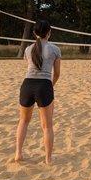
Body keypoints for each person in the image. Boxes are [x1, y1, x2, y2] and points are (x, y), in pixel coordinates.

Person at [15, 20, 61, 165]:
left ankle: (18, 154)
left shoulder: (28, 49)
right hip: (44, 85)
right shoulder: (54, 49)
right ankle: (48, 159)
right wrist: (49, 86)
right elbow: (57, 74)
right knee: (47, 126)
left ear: (34, 33)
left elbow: (30, 67)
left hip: (27, 85)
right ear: (49, 33)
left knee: (23, 121)